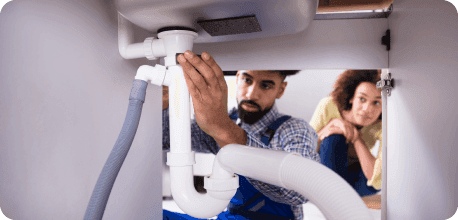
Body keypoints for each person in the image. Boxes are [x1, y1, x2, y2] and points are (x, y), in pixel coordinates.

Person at [162, 51, 319, 220]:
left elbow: (300, 191)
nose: (251, 94)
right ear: (237, 79)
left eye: (266, 85)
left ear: (280, 90)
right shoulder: (230, 120)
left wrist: (226, 131)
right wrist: (165, 102)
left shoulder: (294, 129)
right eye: (247, 80)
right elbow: (166, 139)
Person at [309, 69, 383, 197]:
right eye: (362, 99)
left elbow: (376, 179)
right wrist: (327, 130)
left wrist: (357, 139)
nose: (367, 109)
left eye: (377, 102)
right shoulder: (327, 105)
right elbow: (302, 152)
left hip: (354, 175)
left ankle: (338, 195)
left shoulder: (381, 125)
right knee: (334, 138)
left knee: (379, 179)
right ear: (351, 98)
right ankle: (335, 195)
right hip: (323, 172)